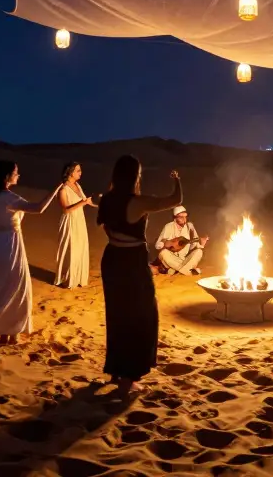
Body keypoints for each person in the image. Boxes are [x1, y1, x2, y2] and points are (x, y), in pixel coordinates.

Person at [96, 155, 183, 395]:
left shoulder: (107, 200)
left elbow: (107, 229)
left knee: (117, 315)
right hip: (131, 263)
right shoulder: (138, 202)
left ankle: (116, 371)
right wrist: (177, 180)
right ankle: (129, 378)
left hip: (112, 259)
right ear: (134, 176)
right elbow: (176, 200)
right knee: (141, 316)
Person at [0, 161, 64, 347]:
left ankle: (8, 333)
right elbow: (38, 208)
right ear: (7, 176)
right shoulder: (8, 197)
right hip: (10, 245)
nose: (18, 175)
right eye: (16, 172)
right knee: (13, 289)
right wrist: (57, 187)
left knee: (3, 288)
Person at [54, 161, 97, 288]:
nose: (80, 173)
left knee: (80, 248)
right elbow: (66, 209)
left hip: (80, 221)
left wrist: (103, 204)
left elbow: (86, 201)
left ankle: (78, 277)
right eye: (78, 170)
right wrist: (83, 203)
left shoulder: (77, 185)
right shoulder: (63, 189)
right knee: (71, 249)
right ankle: (67, 279)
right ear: (71, 172)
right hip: (70, 221)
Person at [153, 205, 207, 276]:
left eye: (185, 217)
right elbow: (157, 246)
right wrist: (163, 243)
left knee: (199, 252)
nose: (184, 219)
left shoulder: (189, 226)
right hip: (171, 258)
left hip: (184, 259)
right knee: (163, 253)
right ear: (175, 218)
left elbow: (194, 245)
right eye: (181, 217)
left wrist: (202, 244)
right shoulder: (168, 226)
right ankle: (188, 272)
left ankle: (176, 270)